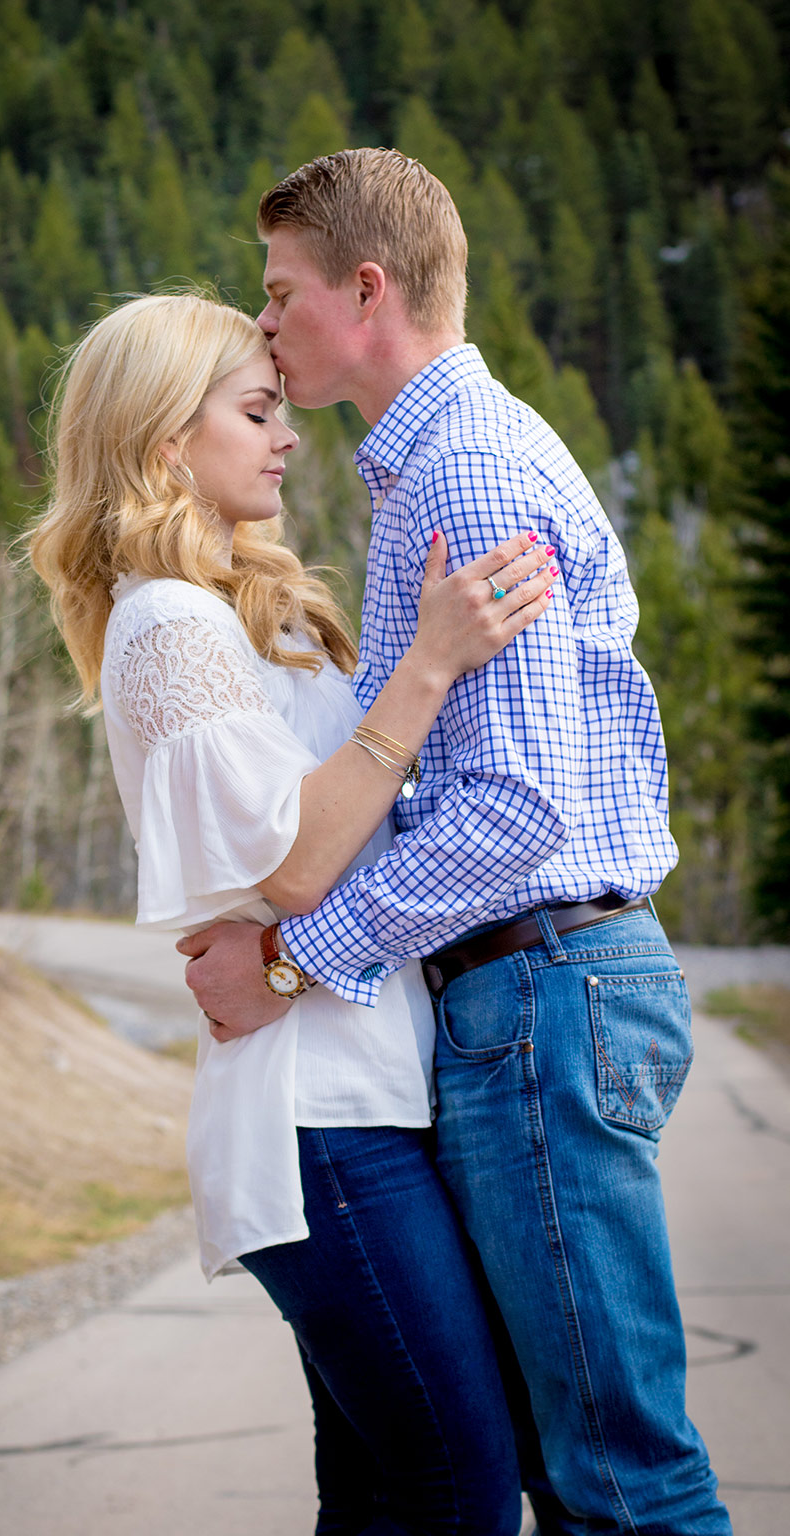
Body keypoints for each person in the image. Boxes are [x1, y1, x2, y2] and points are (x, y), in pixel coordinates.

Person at [180, 150, 733, 1536]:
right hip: (528, 996)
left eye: (277, 293)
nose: (261, 326)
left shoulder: (465, 477)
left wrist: (295, 957)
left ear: (364, 290)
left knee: (617, 1481)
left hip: (542, 992)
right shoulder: (437, 462)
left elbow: (519, 813)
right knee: (568, 1473)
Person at [26, 291, 556, 1534]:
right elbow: (301, 868)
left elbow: (344, 836)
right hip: (318, 1120)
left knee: (385, 1491)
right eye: (257, 411)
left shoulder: (245, 615)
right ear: (166, 443)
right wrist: (427, 667)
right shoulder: (168, 623)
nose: (290, 435)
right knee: (459, 1490)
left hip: (368, 1090)